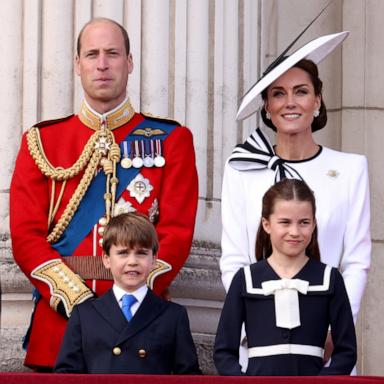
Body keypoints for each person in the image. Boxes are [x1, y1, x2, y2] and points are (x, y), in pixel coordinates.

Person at [10, 17, 198, 370]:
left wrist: (128, 296)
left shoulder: (172, 140)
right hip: (60, 325)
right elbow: (25, 236)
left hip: (140, 326)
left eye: (112, 53)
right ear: (77, 65)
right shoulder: (42, 141)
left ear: (129, 62)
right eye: (92, 54)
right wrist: (78, 299)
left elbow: (176, 233)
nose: (102, 64)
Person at [220, 32, 370, 366]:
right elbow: (233, 260)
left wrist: (336, 327)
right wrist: (255, 320)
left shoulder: (350, 169)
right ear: (267, 107)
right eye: (278, 94)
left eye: (301, 92)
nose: (290, 102)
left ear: (317, 100)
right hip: (259, 346)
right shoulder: (242, 168)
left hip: (324, 344)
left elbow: (357, 260)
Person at [214, 178, 357, 376]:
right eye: (285, 222)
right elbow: (223, 352)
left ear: (314, 224)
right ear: (266, 224)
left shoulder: (330, 278)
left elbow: (346, 351)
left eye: (304, 223)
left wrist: (321, 383)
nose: (295, 232)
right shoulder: (246, 278)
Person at [54, 213, 201, 374]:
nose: (132, 261)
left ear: (154, 259)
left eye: (141, 253)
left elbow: (189, 376)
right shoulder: (84, 315)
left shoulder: (173, 316)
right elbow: (66, 375)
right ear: (106, 259)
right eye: (123, 253)